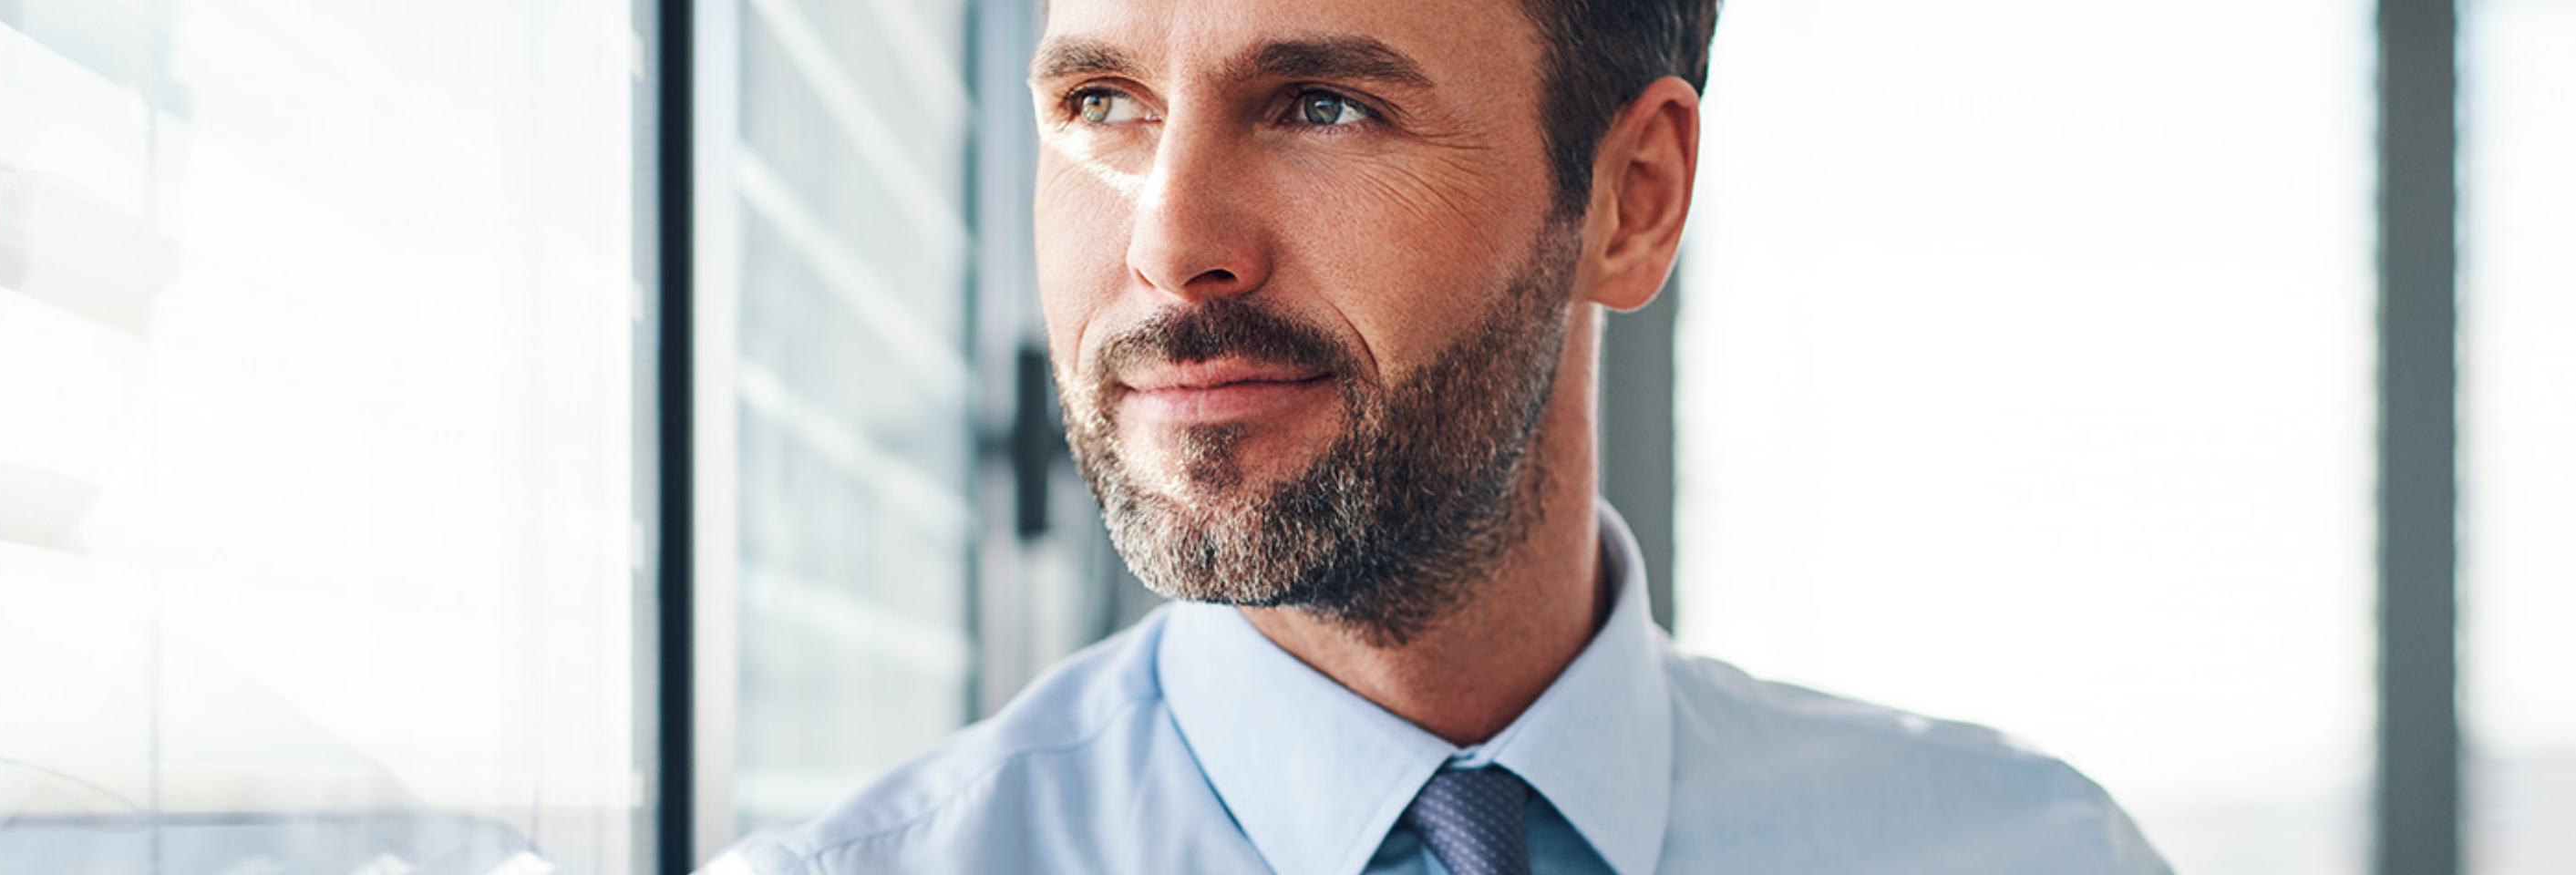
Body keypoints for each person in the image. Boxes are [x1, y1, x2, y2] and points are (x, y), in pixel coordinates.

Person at [707, 0, 2169, 871]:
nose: (1169, 245)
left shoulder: (2026, 853)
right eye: (1101, 102)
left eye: (1322, 104)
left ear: (1632, 199)